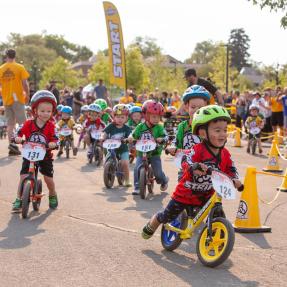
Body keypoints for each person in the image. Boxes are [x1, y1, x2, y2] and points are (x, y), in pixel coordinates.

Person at [141, 105, 242, 239]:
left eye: (225, 130)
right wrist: (193, 166)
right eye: (217, 130)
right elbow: (185, 158)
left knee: (218, 213)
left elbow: (231, 168)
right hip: (185, 194)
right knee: (167, 215)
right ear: (202, 133)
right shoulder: (198, 149)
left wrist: (235, 179)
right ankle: (154, 222)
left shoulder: (225, 154)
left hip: (207, 194)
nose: (223, 134)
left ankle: (217, 239)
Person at [12, 90, 59, 210]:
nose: (45, 113)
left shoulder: (51, 126)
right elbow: (19, 131)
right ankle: (19, 198)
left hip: (45, 155)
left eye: (49, 111)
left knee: (48, 179)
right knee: (23, 176)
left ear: (52, 111)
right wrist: (17, 137)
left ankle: (52, 194)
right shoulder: (28, 124)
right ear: (35, 111)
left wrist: (53, 143)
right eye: (42, 111)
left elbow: (55, 137)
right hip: (29, 154)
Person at [129, 100, 169, 195]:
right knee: (137, 169)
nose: (156, 119)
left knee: (158, 173)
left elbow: (165, 136)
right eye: (154, 116)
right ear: (146, 115)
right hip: (141, 152)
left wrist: (162, 139)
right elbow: (133, 134)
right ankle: (137, 187)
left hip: (154, 153)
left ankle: (164, 180)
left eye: (158, 117)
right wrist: (130, 138)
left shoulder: (159, 127)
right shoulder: (140, 126)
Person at [0, 49, 30, 155]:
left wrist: (3, 93)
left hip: (6, 99)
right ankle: (29, 145)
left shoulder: (1, 68)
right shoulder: (19, 67)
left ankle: (12, 145)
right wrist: (28, 95)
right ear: (15, 56)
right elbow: (25, 84)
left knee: (10, 124)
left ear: (6, 56)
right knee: (23, 122)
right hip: (17, 98)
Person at [102, 104, 132, 187]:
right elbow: (104, 133)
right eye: (118, 117)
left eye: (122, 117)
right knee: (106, 163)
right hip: (112, 148)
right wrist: (102, 137)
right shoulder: (111, 126)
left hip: (123, 148)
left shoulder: (126, 128)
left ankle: (127, 180)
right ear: (113, 117)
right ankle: (108, 174)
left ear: (126, 118)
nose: (120, 119)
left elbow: (130, 135)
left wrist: (129, 138)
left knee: (125, 163)